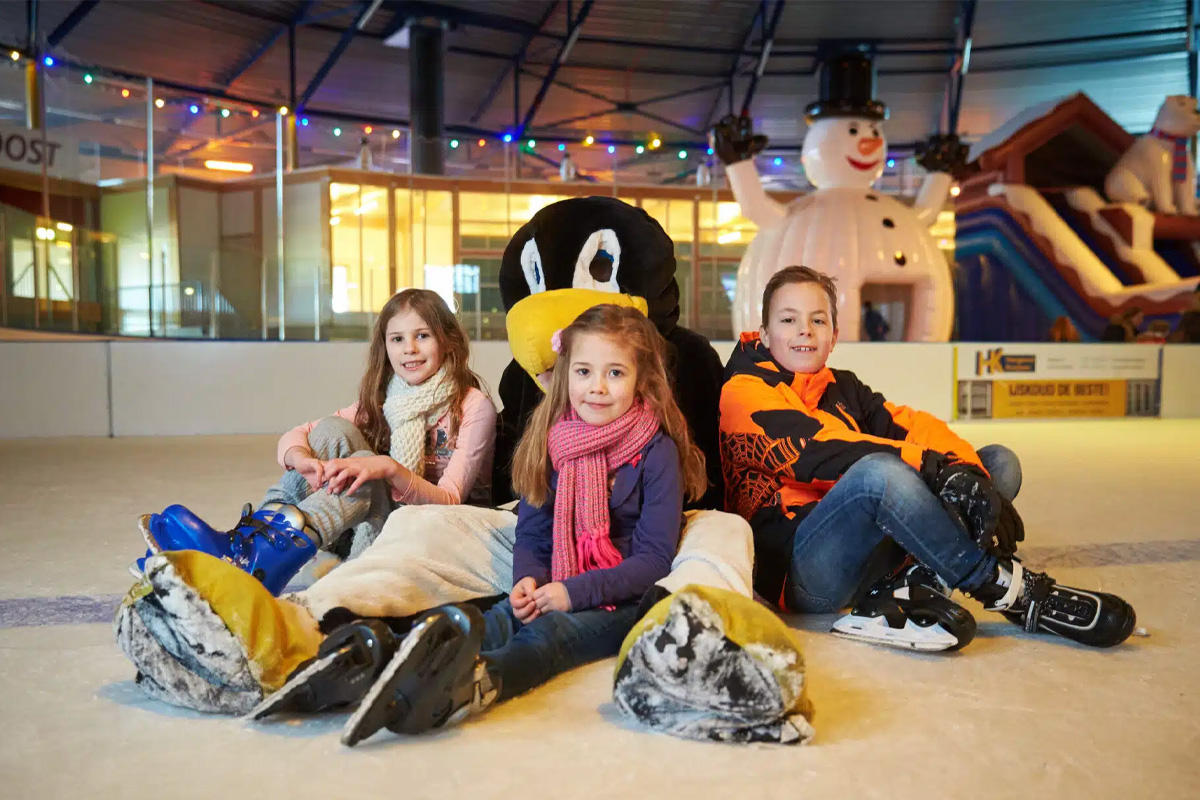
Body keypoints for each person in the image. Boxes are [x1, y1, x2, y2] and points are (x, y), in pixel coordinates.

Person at [317, 303, 709, 743]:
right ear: (566, 375)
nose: (597, 387)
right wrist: (528, 577)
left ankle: (475, 684)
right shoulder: (555, 440)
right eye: (583, 372)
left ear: (642, 378)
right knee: (497, 618)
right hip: (555, 581)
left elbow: (653, 560)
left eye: (615, 373)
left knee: (548, 635)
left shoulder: (656, 452)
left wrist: (571, 593)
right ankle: (381, 659)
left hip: (620, 600)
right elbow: (535, 529)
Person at [719, 265, 1136, 651]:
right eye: (788, 320)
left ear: (834, 334)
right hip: (803, 572)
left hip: (871, 552)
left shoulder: (842, 386)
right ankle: (1000, 587)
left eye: (817, 320)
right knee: (878, 474)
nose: (804, 331)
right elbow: (823, 451)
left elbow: (909, 425)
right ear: (764, 333)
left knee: (997, 464)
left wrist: (964, 470)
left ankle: (910, 584)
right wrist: (936, 471)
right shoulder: (743, 390)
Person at [134, 288, 496, 594]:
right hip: (384, 520)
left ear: (447, 340)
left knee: (367, 472)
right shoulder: (386, 398)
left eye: (423, 336)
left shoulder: (472, 406)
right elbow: (300, 434)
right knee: (330, 430)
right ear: (385, 347)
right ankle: (251, 540)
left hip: (440, 531)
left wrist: (388, 468)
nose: (409, 349)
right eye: (397, 339)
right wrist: (300, 458)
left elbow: (450, 500)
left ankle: (264, 558)